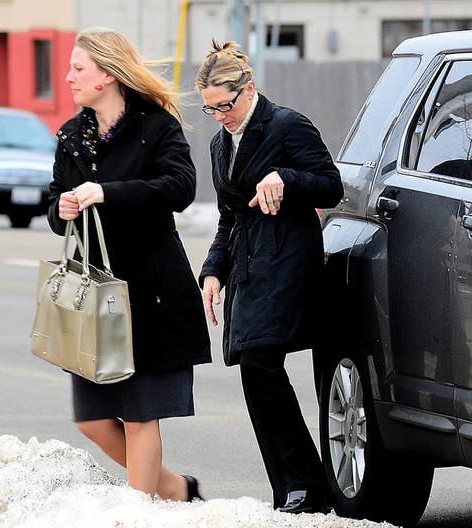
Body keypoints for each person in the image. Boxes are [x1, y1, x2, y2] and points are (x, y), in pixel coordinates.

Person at [46, 28, 211, 501]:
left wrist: (109, 193)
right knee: (94, 420)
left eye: (79, 68)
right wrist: (61, 209)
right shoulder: (72, 135)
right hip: (94, 296)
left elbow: (180, 188)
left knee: (142, 416)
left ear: (108, 73)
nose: (68, 77)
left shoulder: (156, 126)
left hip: (151, 293)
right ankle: (176, 489)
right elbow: (54, 204)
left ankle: (139, 510)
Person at [196, 40, 343, 514]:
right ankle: (290, 489)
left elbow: (331, 185)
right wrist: (213, 271)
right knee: (253, 371)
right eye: (210, 108)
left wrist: (285, 177)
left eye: (226, 104)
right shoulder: (221, 145)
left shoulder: (286, 125)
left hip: (288, 262)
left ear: (249, 88)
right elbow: (228, 217)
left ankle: (307, 483)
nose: (220, 115)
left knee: (260, 360)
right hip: (246, 267)